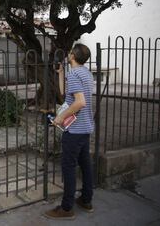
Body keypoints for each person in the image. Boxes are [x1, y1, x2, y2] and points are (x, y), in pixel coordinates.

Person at [44, 43, 94, 220]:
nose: (68, 54)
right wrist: (61, 74)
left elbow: (80, 102)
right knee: (86, 165)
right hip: (86, 128)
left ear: (72, 56)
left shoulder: (75, 75)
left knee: (69, 168)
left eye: (70, 52)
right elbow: (67, 94)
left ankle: (66, 208)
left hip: (74, 131)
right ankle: (86, 200)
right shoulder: (86, 74)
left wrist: (60, 117)